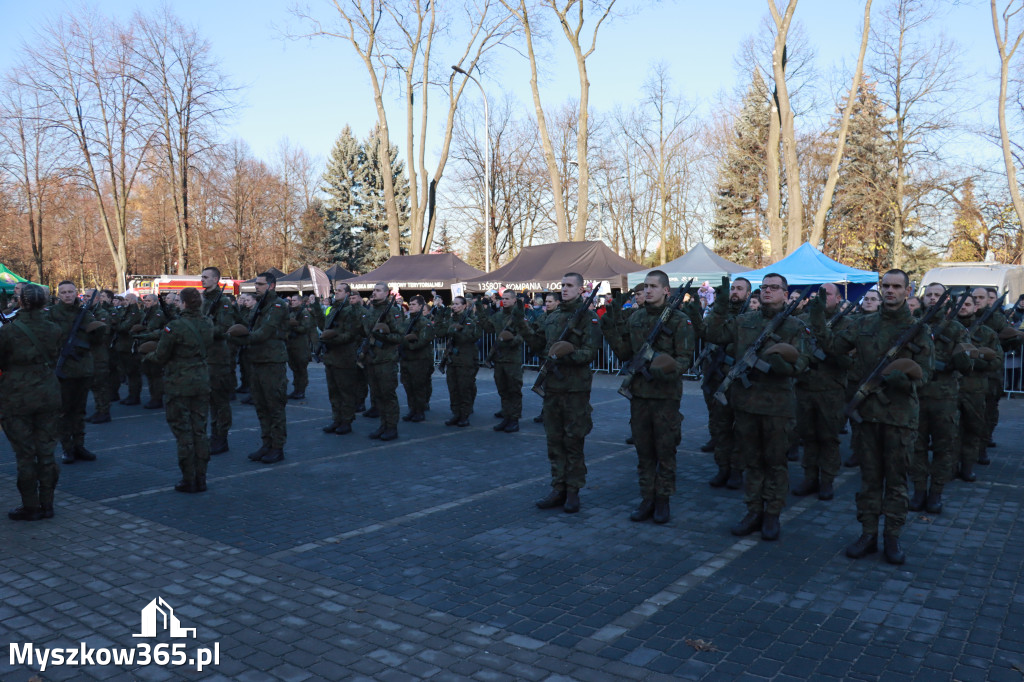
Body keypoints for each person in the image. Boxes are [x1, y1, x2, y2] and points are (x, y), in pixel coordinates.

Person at [810, 269, 934, 565]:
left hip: (900, 417)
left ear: (907, 291)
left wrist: (906, 381)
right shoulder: (863, 324)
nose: (890, 291)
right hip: (866, 416)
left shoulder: (918, 329)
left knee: (895, 481)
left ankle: (892, 537)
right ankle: (867, 533)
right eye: (886, 286)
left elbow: (926, 374)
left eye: (896, 286)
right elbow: (832, 345)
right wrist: (817, 316)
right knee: (868, 479)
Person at [705, 273, 809, 542]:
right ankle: (753, 511)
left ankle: (772, 513)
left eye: (774, 288)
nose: (767, 291)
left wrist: (777, 359)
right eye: (764, 287)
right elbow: (712, 333)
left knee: (775, 463)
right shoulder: (744, 321)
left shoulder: (795, 326)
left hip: (777, 406)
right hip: (747, 405)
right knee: (752, 462)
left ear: (786, 294)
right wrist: (722, 303)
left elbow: (800, 366)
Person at [602, 270, 694, 523]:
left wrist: (660, 364)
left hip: (665, 397)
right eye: (646, 286)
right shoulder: (635, 318)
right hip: (640, 396)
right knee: (644, 451)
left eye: (654, 286)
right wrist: (609, 330)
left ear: (666, 290)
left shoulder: (679, 320)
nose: (649, 290)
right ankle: (647, 498)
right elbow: (624, 354)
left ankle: (662, 500)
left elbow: (685, 361)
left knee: (665, 450)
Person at [518, 273, 601, 514]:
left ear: (581, 289)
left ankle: (573, 490)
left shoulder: (589, 318)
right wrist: (521, 325)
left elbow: (590, 353)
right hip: (553, 388)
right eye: (562, 285)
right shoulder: (552, 317)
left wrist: (566, 353)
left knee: (573, 441)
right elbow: (537, 345)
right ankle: (558, 487)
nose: (564, 289)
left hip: (575, 389)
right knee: (554, 441)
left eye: (569, 286)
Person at [0, 284, 62, 520]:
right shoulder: (54, 329)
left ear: (21, 302)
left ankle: (31, 505)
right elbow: (54, 356)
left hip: (16, 396)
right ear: (44, 303)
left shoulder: (8, 331)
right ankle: (48, 504)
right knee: (47, 453)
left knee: (25, 455)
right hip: (48, 393)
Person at [144, 288, 214, 492]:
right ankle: (201, 478)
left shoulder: (174, 326)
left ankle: (188, 478)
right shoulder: (208, 322)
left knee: (184, 433)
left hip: (179, 384)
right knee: (200, 431)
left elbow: (161, 356)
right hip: (201, 380)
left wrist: (146, 355)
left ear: (183, 303)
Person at [907, 284, 970, 514]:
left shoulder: (956, 329)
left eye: (938, 295)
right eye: (929, 295)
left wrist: (960, 354)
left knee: (944, 448)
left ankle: (936, 493)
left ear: (946, 301)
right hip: (917, 396)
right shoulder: (915, 326)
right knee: (917, 447)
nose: (933, 299)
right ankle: (919, 490)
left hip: (944, 399)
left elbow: (965, 364)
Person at [793, 283, 852, 501]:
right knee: (808, 436)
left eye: (828, 295)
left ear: (838, 299)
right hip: (805, 387)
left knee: (828, 438)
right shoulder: (803, 321)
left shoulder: (847, 323)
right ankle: (809, 477)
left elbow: (848, 359)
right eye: (819, 294)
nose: (823, 298)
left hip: (831, 390)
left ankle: (827, 479)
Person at [229, 272, 290, 463]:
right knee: (261, 407)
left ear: (271, 286)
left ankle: (277, 447)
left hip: (272, 362)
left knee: (274, 407)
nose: (257, 287)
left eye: (261, 284)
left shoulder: (277, 305)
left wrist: (241, 338)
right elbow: (249, 325)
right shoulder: (260, 305)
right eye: (256, 284)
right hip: (256, 360)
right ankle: (266, 444)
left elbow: (264, 332)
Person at [701, 277, 750, 490]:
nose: (735, 292)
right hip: (719, 379)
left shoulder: (752, 316)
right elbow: (709, 333)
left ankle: (738, 469)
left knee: (740, 429)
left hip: (741, 381)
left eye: (740, 289)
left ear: (748, 294)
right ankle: (723, 468)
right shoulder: (719, 313)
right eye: (733, 288)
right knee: (721, 427)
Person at [49, 281, 106, 464]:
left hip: (82, 368)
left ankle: (79, 445)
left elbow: (96, 341)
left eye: (70, 292)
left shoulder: (85, 313)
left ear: (76, 293)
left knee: (79, 411)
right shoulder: (52, 314)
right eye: (63, 292)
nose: (67, 295)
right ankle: (67, 448)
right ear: (59, 295)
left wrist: (99, 331)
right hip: (63, 369)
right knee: (64, 412)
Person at [956, 295, 999, 483]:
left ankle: (967, 466)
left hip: (974, 390)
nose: (963, 307)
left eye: (967, 304)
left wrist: (974, 361)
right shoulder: (947, 330)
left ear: (975, 307)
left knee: (973, 430)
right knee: (950, 432)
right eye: (959, 304)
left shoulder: (987, 333)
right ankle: (949, 467)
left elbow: (997, 361)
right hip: (948, 390)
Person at [201, 267, 241, 455]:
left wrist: (202, 330)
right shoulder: (203, 300)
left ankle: (221, 437)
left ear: (216, 279)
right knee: (210, 401)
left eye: (206, 277)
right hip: (205, 356)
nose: (202, 280)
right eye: (202, 277)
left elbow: (224, 328)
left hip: (218, 357)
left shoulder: (223, 302)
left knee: (220, 401)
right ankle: (213, 435)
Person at [358, 282, 404, 440]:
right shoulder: (371, 310)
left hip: (386, 360)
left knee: (387, 395)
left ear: (386, 293)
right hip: (372, 359)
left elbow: (399, 336)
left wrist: (382, 336)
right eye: (374, 290)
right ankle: (383, 425)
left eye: (378, 291)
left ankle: (391, 427)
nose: (374, 293)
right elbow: (365, 331)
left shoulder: (393, 311)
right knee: (377, 395)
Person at [480, 290, 527, 433]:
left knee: (514, 390)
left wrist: (510, 340)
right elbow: (487, 328)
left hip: (512, 359)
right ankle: (506, 417)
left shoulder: (519, 316)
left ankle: (514, 420)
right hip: (499, 358)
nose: (504, 301)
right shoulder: (498, 316)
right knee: (503, 390)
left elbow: (523, 335)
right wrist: (481, 312)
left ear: (514, 300)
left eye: (507, 299)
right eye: (503, 298)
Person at [320, 283, 362, 434]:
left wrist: (331, 339)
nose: (336, 293)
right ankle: (336, 419)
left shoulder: (350, 311)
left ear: (347, 294)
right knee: (333, 391)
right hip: (331, 356)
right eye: (335, 290)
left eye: (339, 291)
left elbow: (351, 334)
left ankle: (346, 420)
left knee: (346, 391)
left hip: (344, 356)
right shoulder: (333, 310)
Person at [441, 296, 481, 427]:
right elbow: (442, 332)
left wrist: (459, 331)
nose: (454, 306)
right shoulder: (451, 319)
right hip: (452, 360)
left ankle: (464, 415)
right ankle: (456, 413)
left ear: (464, 306)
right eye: (453, 304)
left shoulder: (469, 321)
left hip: (465, 360)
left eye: (458, 304)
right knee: (453, 388)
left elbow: (471, 338)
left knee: (464, 388)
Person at [400, 295, 435, 423]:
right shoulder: (406, 321)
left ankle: (420, 411)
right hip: (406, 359)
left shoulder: (424, 323)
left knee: (418, 386)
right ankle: (412, 409)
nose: (411, 306)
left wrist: (406, 343)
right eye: (410, 304)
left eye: (414, 304)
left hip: (419, 360)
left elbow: (422, 341)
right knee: (408, 386)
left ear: (421, 306)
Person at [86, 289, 115, 424]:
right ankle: (99, 410)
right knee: (95, 384)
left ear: (96, 299)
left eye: (87, 296)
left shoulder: (101, 313)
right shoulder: (87, 312)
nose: (85, 298)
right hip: (90, 354)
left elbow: (104, 334)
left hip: (99, 354)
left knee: (101, 384)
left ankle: (104, 411)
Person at [136, 294, 168, 409]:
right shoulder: (146, 312)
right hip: (145, 345)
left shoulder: (158, 313)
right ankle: (153, 396)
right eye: (145, 301)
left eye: (149, 301)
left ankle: (157, 398)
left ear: (155, 302)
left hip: (154, 345)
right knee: (149, 373)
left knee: (156, 374)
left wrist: (142, 331)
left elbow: (152, 327)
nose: (146, 302)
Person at [285, 293, 313, 400]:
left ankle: (301, 390)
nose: (292, 302)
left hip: (301, 345)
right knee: (294, 368)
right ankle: (296, 389)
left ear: (301, 302)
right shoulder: (291, 313)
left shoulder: (304, 313)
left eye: (295, 300)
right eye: (291, 300)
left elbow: (305, 328)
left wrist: (294, 325)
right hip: (291, 344)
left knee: (301, 369)